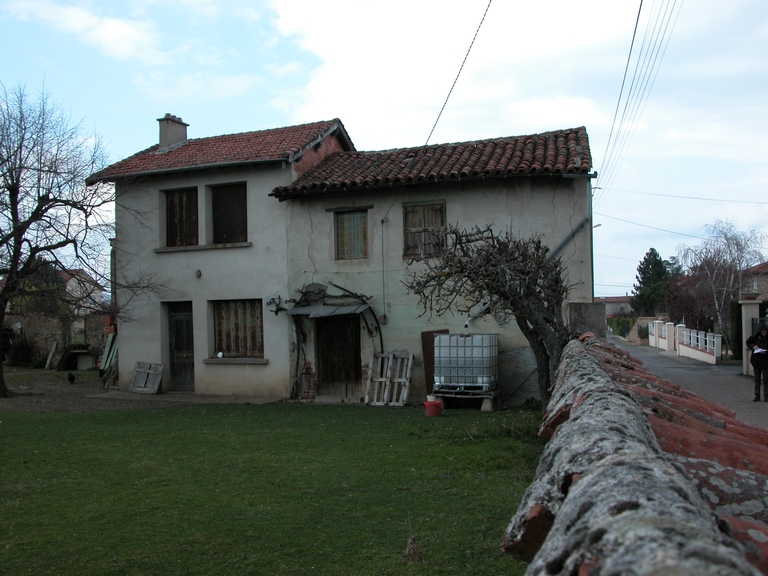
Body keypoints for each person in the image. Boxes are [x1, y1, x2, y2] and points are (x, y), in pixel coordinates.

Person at [746, 323, 768, 401]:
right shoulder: (755, 337)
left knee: (766, 380)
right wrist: (753, 347)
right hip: (756, 360)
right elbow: (748, 342)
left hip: (766, 360)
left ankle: (766, 396)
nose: (764, 333)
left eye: (765, 332)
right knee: (757, 379)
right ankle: (757, 395)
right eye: (762, 332)